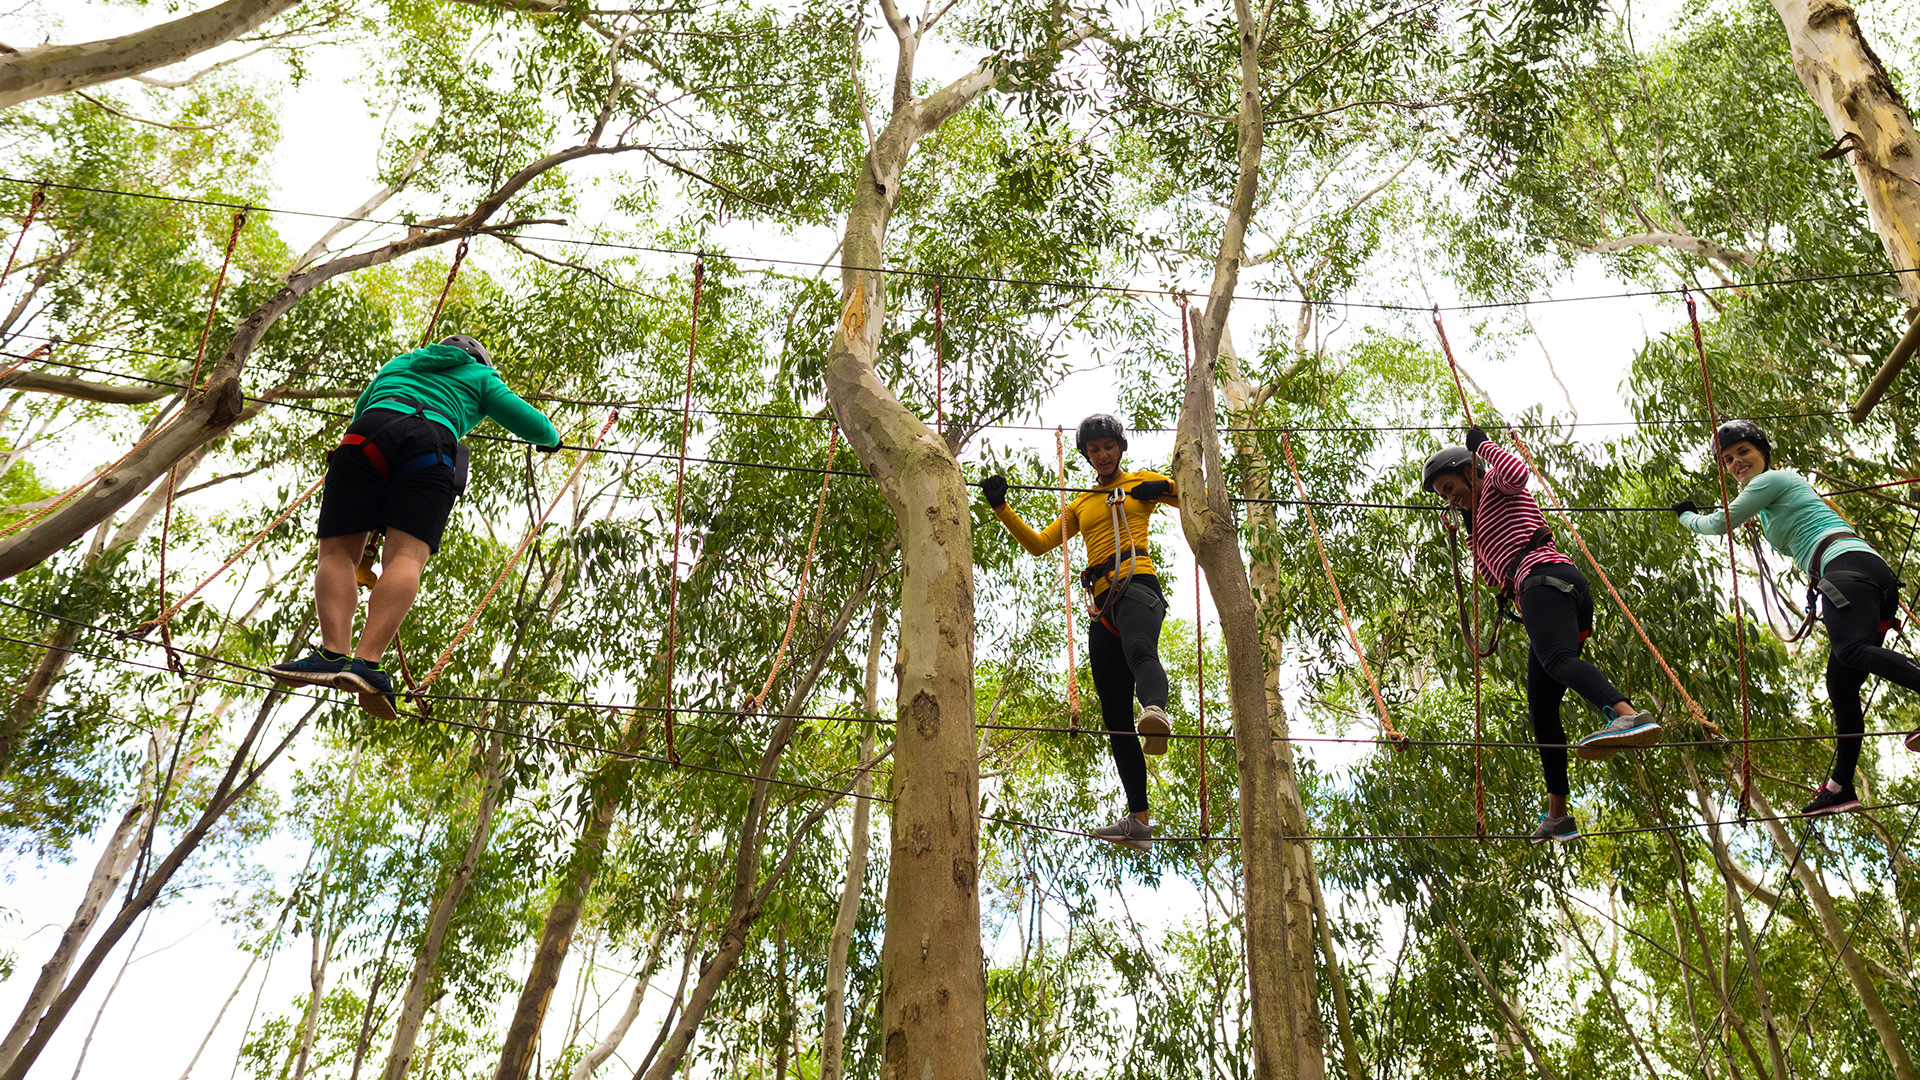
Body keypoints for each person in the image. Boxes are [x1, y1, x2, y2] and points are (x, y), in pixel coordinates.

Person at [269, 334, 560, 718]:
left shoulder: (400, 363)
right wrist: (551, 440)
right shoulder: (481, 376)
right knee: (406, 555)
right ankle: (366, 665)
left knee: (338, 553)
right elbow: (529, 421)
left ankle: (331, 652)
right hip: (431, 444)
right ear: (479, 360)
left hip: (365, 437)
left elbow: (363, 408)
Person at [1423, 426, 1663, 842]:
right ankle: (1559, 814)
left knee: (1556, 661)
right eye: (1443, 496)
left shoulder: (1498, 486)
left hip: (1543, 577)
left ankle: (1627, 716)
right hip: (1541, 588)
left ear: (1469, 472)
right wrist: (1493, 578)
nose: (1450, 498)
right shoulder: (1475, 528)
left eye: (1451, 487)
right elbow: (1489, 574)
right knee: (1542, 709)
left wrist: (1482, 446)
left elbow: (1518, 473)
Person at [1673, 419, 1920, 815]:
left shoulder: (1772, 480)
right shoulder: (1769, 499)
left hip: (1845, 566)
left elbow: (1719, 522)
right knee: (1841, 684)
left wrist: (1687, 517)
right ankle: (1840, 786)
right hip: (1858, 573)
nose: (1736, 462)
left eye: (1744, 453)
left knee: (1851, 650)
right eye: (1728, 459)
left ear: (1762, 454)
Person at [981, 414, 1181, 851]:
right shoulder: (1081, 503)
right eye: (1094, 450)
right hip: (1102, 603)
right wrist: (1002, 508)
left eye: (1109, 446)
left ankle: (1156, 711)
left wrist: (1164, 490)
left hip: (1138, 584)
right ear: (1087, 456)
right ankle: (1139, 822)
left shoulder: (1141, 481)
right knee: (1113, 715)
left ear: (1120, 448)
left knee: (1142, 650)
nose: (1103, 454)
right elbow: (1038, 544)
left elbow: (1200, 501)